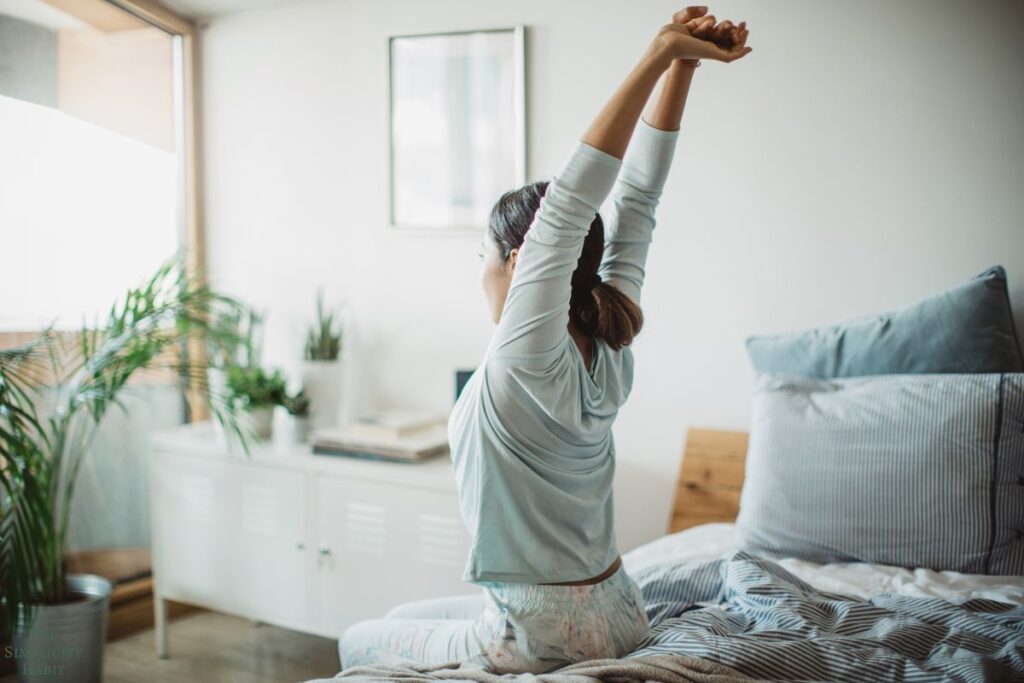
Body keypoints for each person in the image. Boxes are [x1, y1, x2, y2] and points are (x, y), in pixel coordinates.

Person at [338, 6, 751, 675]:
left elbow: (574, 200)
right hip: (618, 611)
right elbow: (639, 199)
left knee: (358, 640)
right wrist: (684, 64)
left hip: (537, 633)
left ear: (518, 260)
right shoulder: (610, 332)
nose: (480, 270)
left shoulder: (524, 350)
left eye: (483, 252)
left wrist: (656, 53)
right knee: (396, 621)